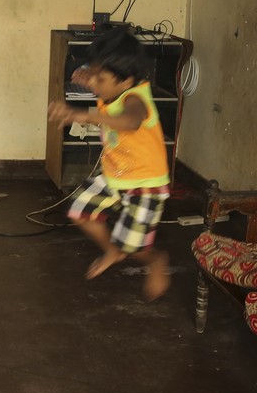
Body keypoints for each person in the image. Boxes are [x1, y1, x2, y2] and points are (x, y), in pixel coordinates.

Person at [48, 29, 171, 301]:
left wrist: (82, 115)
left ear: (125, 80)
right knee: (80, 211)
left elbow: (130, 122)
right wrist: (87, 75)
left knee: (136, 248)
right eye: (93, 74)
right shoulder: (113, 86)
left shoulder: (135, 99)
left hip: (145, 184)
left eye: (100, 79)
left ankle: (156, 261)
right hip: (116, 176)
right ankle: (113, 251)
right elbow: (96, 75)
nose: (94, 83)